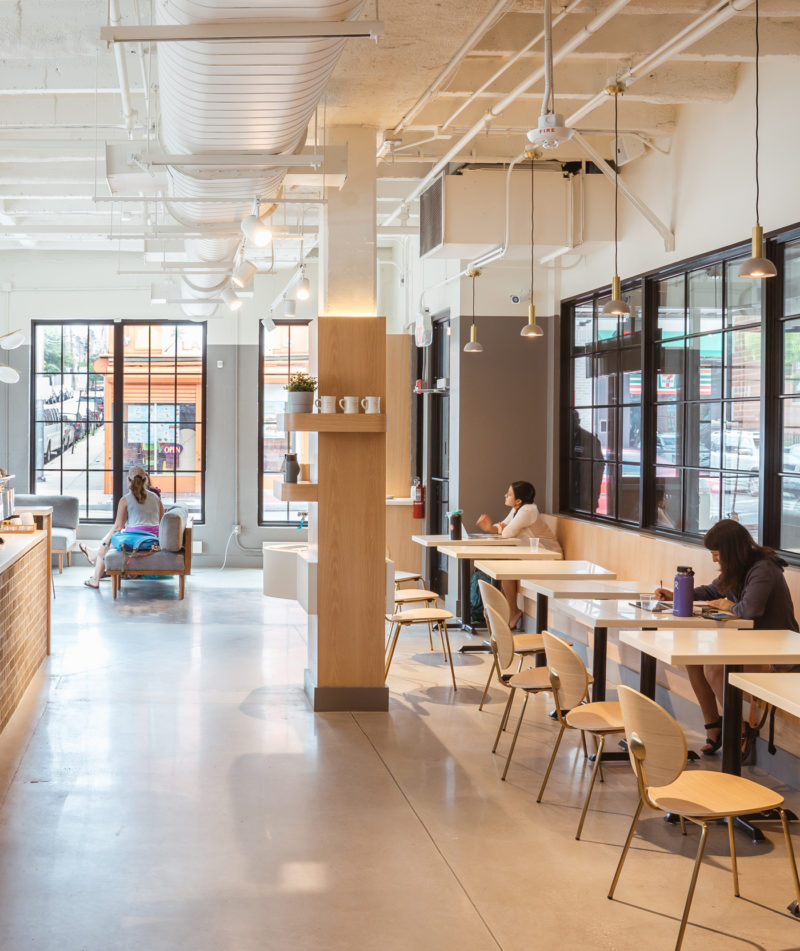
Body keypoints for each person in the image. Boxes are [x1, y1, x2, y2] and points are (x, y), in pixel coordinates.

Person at [654, 519, 798, 754]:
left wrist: (726, 605)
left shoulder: (764, 568)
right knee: (691, 659)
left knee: (715, 668)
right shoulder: (739, 568)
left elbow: (749, 610)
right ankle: (715, 727)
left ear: (731, 550)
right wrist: (677, 593)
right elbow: (712, 590)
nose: (714, 559)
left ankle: (738, 730)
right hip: (750, 645)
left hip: (778, 652)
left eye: (716, 553)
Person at [476, 481, 562, 629]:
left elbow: (508, 532)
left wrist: (502, 528)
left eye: (509, 494)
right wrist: (491, 527)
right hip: (533, 554)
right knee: (502, 565)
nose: (505, 495)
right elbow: (503, 526)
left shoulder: (527, 511)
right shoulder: (518, 509)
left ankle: (513, 611)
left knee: (505, 567)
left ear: (518, 500)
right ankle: (509, 611)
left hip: (548, 556)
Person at [80, 465, 164, 589]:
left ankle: (95, 579)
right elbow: (162, 521)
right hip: (153, 540)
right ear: (146, 479)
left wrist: (105, 543)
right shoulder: (156, 498)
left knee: (106, 545)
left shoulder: (125, 500)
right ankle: (95, 555)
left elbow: (118, 527)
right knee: (108, 543)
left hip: (133, 541)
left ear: (129, 480)